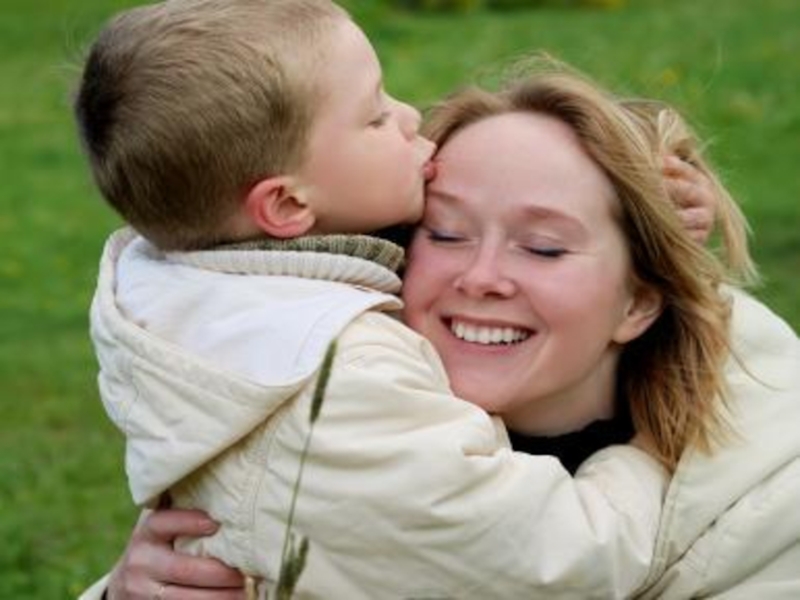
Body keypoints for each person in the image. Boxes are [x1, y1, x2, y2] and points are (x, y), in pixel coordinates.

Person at [73, 1, 749, 598]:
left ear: (641, 294)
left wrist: (659, 215)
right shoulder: (338, 379)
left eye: (542, 246)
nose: (479, 276)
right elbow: (564, 558)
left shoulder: (218, 300)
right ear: (285, 206)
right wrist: (653, 457)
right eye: (444, 232)